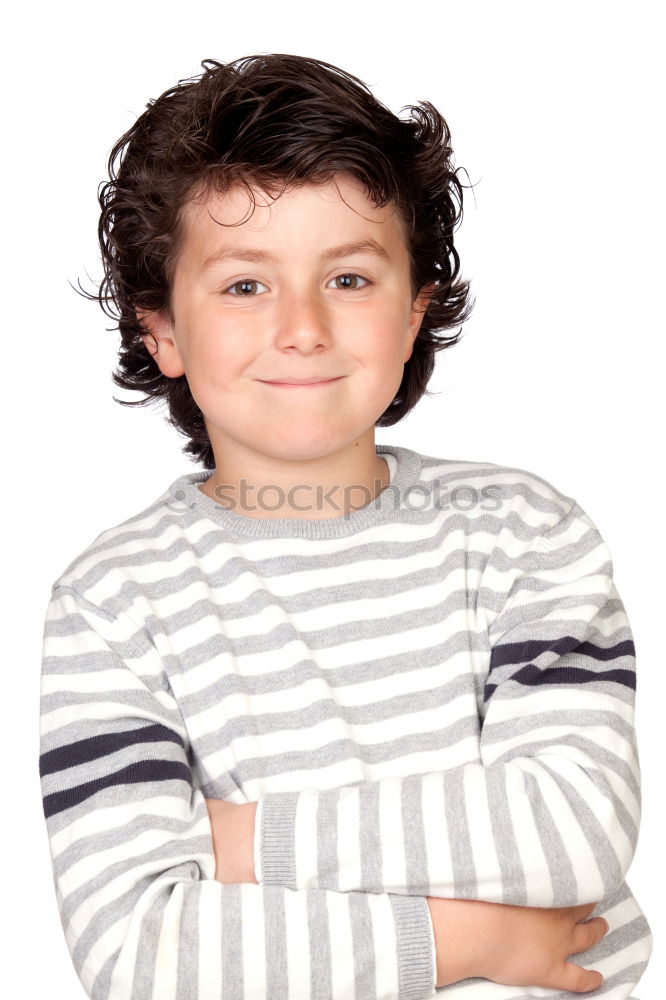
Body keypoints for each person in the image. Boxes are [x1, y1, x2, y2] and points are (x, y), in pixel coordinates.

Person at [38, 53, 651, 1000]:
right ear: (160, 328)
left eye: (351, 280)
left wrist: (239, 840)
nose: (303, 328)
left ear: (415, 312)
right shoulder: (113, 601)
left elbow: (571, 829)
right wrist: (475, 942)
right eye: (245, 285)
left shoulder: (524, 533)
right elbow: (141, 951)